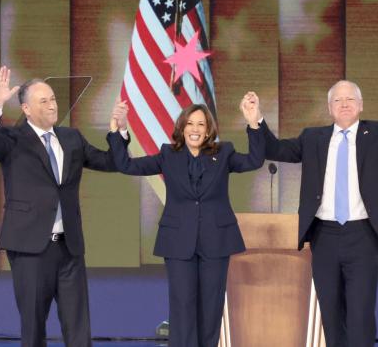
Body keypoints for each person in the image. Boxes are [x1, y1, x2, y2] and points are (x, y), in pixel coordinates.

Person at [251, 81, 378, 347]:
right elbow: (275, 149)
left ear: (361, 106)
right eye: (337, 100)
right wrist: (256, 121)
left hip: (364, 235)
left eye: (350, 99)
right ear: (329, 108)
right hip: (324, 235)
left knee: (360, 313)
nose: (344, 104)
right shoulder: (313, 138)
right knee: (331, 313)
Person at [0, 66, 123, 347]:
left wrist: (119, 133)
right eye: (43, 101)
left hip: (69, 248)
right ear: (26, 109)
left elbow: (111, 162)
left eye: (53, 98)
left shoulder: (71, 138)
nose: (52, 104)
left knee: (78, 327)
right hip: (30, 248)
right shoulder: (12, 139)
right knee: (33, 328)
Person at [107, 93, 264, 347]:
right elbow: (126, 165)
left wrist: (254, 123)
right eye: (190, 123)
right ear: (182, 127)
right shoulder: (168, 155)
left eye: (201, 124)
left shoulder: (224, 153)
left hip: (216, 241)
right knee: (182, 307)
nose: (195, 129)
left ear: (209, 129)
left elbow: (255, 160)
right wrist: (120, 130)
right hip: (179, 242)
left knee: (211, 307)